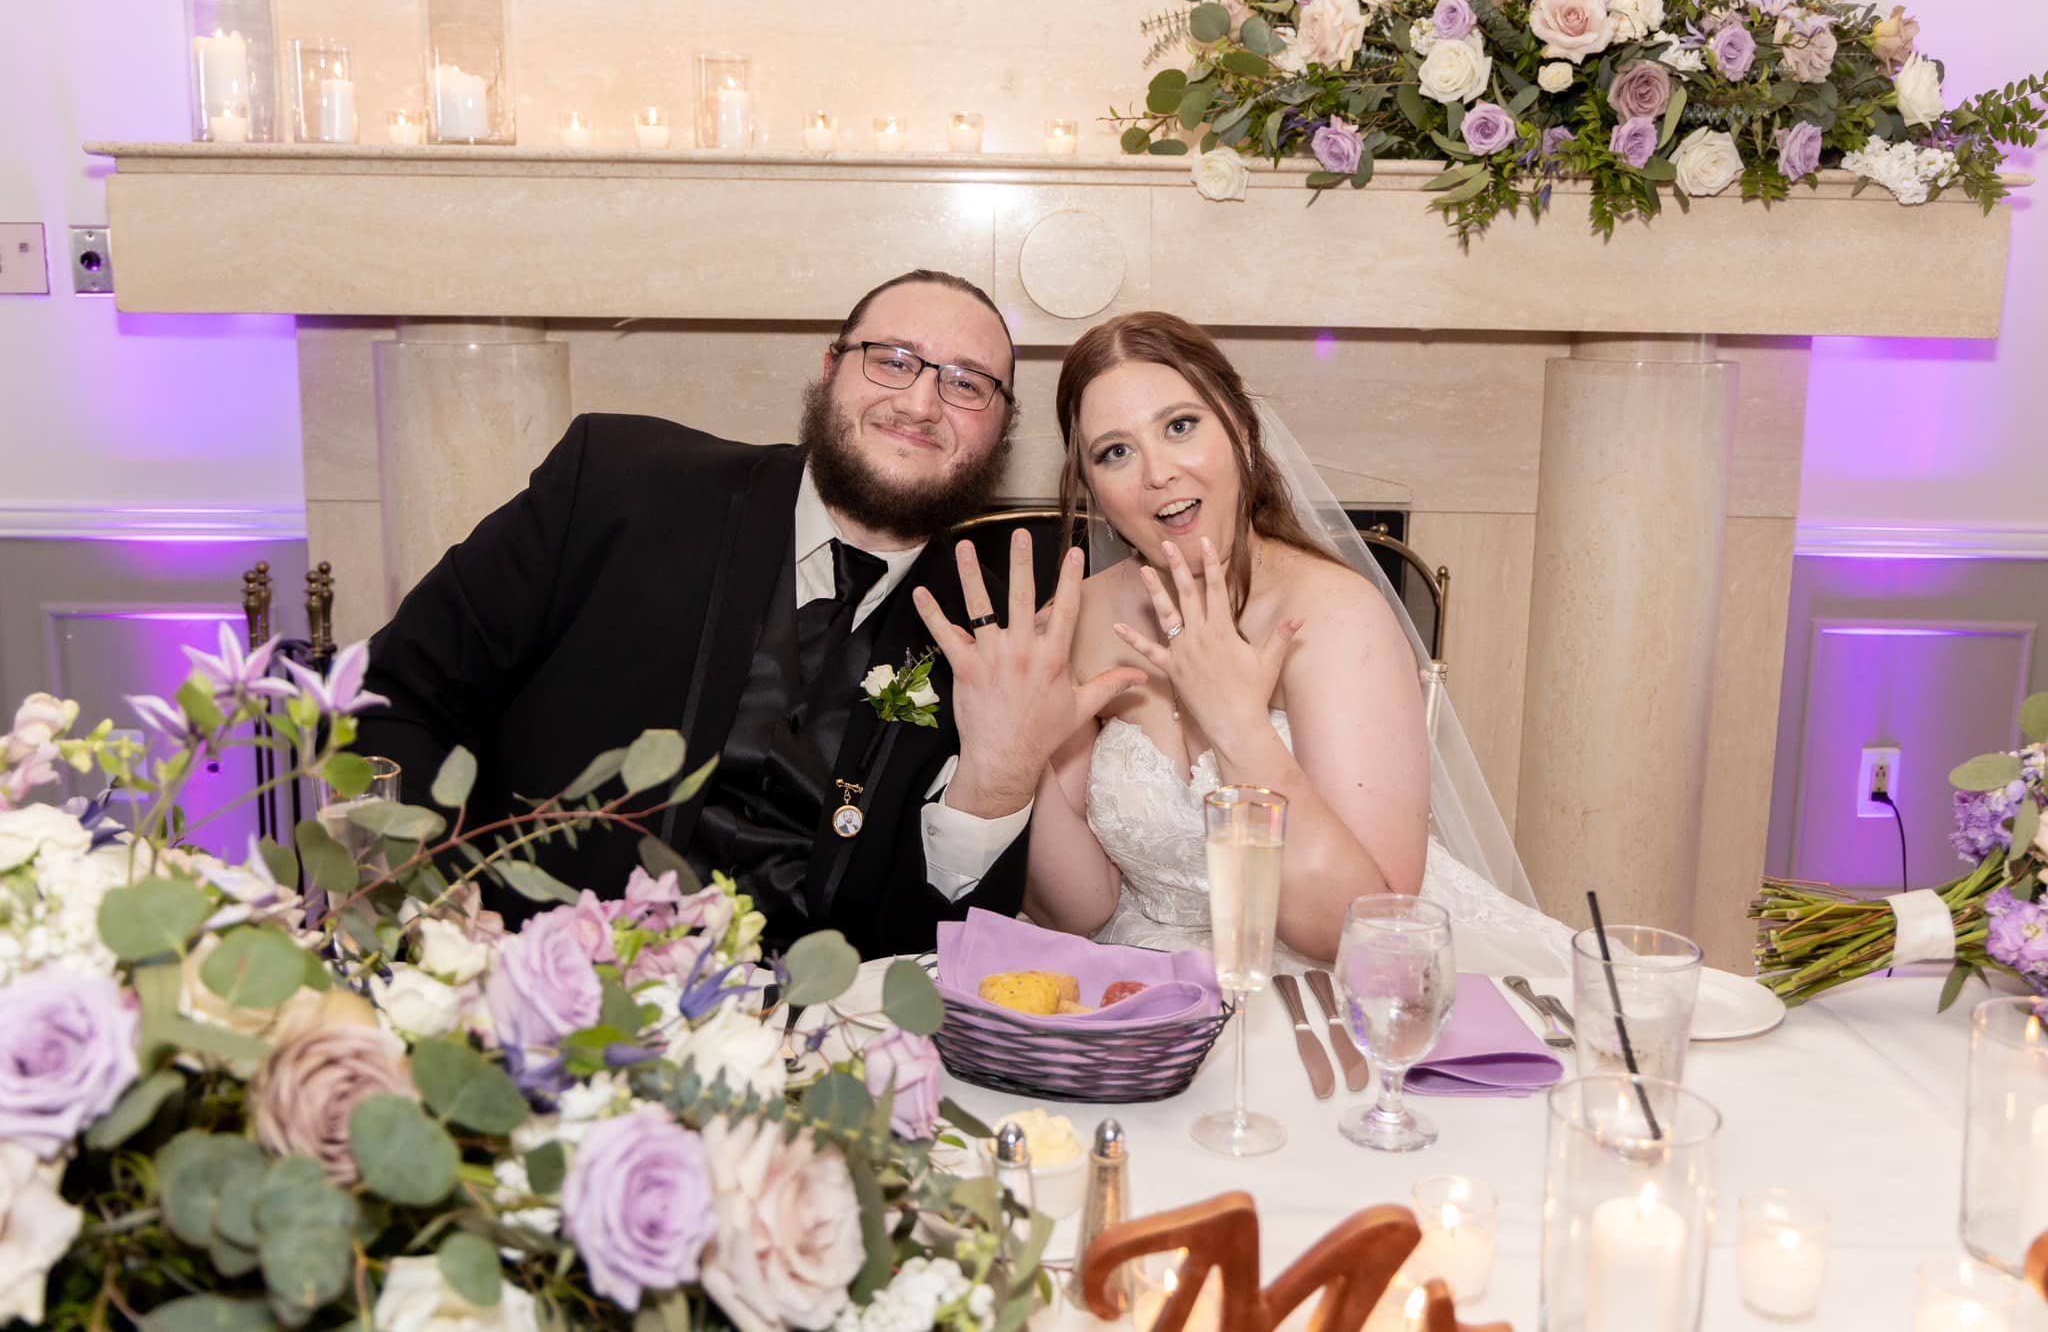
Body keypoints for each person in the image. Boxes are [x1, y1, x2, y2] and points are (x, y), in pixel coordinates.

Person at [355, 269, 1143, 956]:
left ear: (1001, 429)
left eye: (967, 384)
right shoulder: (620, 491)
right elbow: (395, 696)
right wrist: (417, 890)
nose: (921, 401)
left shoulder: (1002, 620)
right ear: (831, 368)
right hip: (545, 1002)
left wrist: (999, 786)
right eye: (892, 360)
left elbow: (936, 945)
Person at [991, 311, 1572, 974]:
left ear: (1240, 430)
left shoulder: (1334, 613)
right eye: (1114, 452)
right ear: (1091, 483)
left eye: (1180, 426)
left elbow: (1364, 933)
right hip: (1146, 980)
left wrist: (1240, 728)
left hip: (1332, 979)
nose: (1157, 473)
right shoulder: (1083, 617)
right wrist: (1020, 752)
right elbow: (1080, 910)